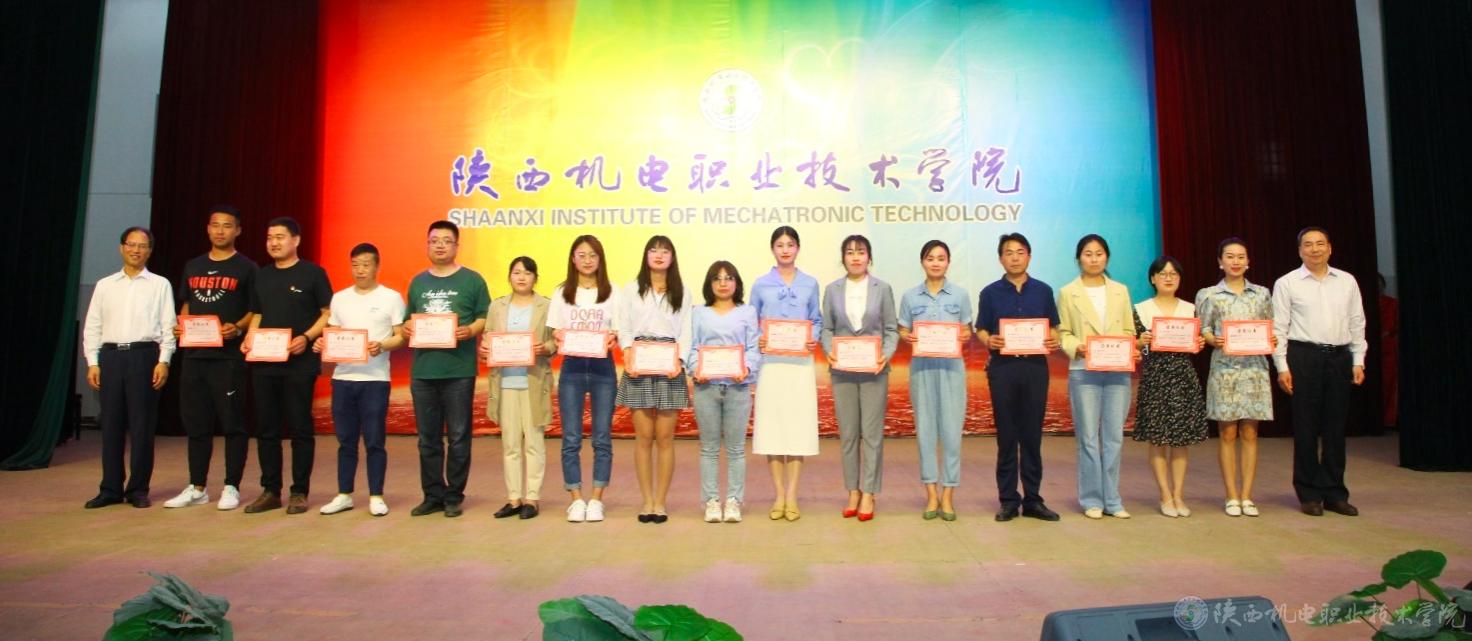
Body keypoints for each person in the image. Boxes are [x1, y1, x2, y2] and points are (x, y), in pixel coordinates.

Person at [164, 206, 255, 511]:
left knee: (233, 423)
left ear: (237, 230)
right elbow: (188, 304)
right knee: (196, 424)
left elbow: (255, 310)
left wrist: (238, 327)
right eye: (215, 225)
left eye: (227, 226)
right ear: (207, 228)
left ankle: (231, 486)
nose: (220, 231)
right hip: (195, 356)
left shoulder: (247, 268)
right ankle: (197, 486)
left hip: (228, 358)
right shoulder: (193, 266)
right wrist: (182, 326)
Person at [1272, 227, 1367, 517]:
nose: (1314, 249)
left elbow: (1357, 322)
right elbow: (1279, 328)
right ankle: (1309, 493)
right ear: (1300, 250)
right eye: (1308, 245)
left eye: (1320, 243)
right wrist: (1282, 366)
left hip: (1339, 357)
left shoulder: (1347, 281)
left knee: (1335, 428)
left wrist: (1358, 360)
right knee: (1306, 428)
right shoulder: (1287, 283)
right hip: (1304, 357)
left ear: (1330, 248)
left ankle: (1335, 493)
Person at [241, 217, 331, 514]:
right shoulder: (262, 275)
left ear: (296, 240)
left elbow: (327, 313)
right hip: (265, 361)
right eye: (270, 238)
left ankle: (299, 491)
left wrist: (306, 337)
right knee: (266, 428)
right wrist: (250, 338)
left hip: (299, 363)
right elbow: (257, 313)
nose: (274, 243)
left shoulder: (313, 273)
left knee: (300, 427)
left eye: (280, 237)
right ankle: (270, 490)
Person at [82, 227, 177, 509]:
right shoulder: (105, 285)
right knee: (110, 425)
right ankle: (110, 488)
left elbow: (168, 326)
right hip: (110, 357)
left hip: (144, 356)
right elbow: (93, 326)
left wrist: (164, 360)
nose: (136, 250)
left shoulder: (160, 284)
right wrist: (93, 362)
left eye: (142, 246)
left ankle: (137, 489)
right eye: (131, 245)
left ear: (150, 251)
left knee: (142, 427)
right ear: (121, 247)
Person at [401, 220, 489, 518]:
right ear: (427, 245)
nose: (440, 245)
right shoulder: (418, 282)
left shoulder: (472, 280)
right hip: (423, 371)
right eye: (434, 240)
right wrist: (407, 327)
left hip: (458, 371)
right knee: (427, 439)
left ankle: (454, 496)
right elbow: (407, 321)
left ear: (456, 246)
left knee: (459, 437)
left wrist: (471, 330)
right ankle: (432, 495)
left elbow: (484, 316)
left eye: (446, 241)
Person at [312, 243, 405, 517]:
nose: (360, 270)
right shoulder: (340, 298)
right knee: (345, 441)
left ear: (377, 266)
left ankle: (376, 495)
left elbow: (401, 336)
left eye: (366, 264)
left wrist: (382, 345)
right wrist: (322, 344)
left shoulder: (391, 297)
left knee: (374, 440)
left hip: (375, 379)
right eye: (355, 265)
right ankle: (344, 494)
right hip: (343, 378)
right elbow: (332, 334)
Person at [976, 233, 1062, 522]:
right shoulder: (990, 293)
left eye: (1020, 252)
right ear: (1001, 259)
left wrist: (1054, 339)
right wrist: (989, 340)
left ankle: (1033, 499)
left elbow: (1054, 327)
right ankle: (1008, 500)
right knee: (1007, 436)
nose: (1014, 257)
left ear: (1029, 256)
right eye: (1009, 253)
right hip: (1003, 369)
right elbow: (981, 328)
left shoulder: (1043, 291)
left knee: (1032, 436)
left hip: (1035, 368)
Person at [1057, 233, 1137, 520]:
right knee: (1088, 437)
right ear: (1079, 258)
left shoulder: (1120, 291)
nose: (1094, 259)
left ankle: (1113, 499)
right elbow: (1063, 332)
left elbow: (1128, 330)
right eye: (1088, 254)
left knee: (1114, 437)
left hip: (1117, 371)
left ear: (1107, 257)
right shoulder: (1068, 292)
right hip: (1083, 371)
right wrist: (1075, 346)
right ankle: (1091, 498)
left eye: (1099, 253)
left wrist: (1129, 348)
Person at [1195, 238, 1276, 517]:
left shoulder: (1262, 294)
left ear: (1248, 261)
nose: (1236, 261)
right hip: (1225, 370)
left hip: (1254, 369)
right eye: (1229, 256)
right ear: (1220, 261)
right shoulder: (1209, 295)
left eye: (1241, 256)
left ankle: (1247, 496)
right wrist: (1211, 339)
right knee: (1227, 433)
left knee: (1251, 433)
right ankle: (1231, 495)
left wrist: (1271, 338)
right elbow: (1202, 328)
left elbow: (1270, 326)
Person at [821, 234, 899, 522]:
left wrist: (885, 355)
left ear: (869, 257)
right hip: (842, 372)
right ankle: (852, 490)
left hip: (874, 371)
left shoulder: (883, 289)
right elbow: (827, 329)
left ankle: (869, 492)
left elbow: (890, 329)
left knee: (872, 434)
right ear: (843, 258)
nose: (855, 257)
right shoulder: (832, 290)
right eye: (850, 252)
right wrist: (829, 351)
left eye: (861, 251)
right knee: (849, 435)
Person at [616, 235, 691, 524]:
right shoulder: (631, 289)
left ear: (672, 257)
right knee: (644, 437)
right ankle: (646, 500)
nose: (659, 255)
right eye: (653, 250)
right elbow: (623, 326)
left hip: (670, 365)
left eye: (665, 251)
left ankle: (661, 502)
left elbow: (687, 330)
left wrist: (680, 361)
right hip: (639, 364)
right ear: (646, 255)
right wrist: (627, 352)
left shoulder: (682, 291)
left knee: (665, 438)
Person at [750, 226, 822, 522]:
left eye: (790, 244)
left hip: (800, 366)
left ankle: (792, 495)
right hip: (771, 366)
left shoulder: (810, 283)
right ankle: (778, 494)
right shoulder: (760, 284)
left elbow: (816, 320)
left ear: (798, 248)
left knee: (797, 429)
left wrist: (812, 338)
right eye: (780, 245)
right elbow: (751, 322)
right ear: (772, 249)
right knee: (773, 429)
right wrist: (759, 339)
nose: (785, 250)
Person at [897, 240, 971, 521]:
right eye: (930, 258)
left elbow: (967, 329)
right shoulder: (910, 296)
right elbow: (902, 329)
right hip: (922, 369)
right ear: (922, 262)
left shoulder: (961, 295)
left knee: (952, 434)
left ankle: (948, 494)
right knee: (925, 432)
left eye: (941, 258)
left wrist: (964, 335)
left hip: (952, 369)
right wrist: (907, 336)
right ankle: (930, 493)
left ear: (948, 262)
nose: (936, 263)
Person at [549, 235, 621, 523]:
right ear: (573, 258)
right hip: (572, 368)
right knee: (571, 437)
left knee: (602, 437)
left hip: (603, 367)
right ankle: (576, 499)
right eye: (582, 255)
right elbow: (555, 331)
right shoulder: (561, 292)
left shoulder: (613, 292)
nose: (587, 260)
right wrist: (558, 336)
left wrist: (614, 337)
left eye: (593, 255)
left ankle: (597, 499)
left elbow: (618, 330)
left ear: (600, 259)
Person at [480, 256, 556, 521]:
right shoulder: (497, 306)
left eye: (527, 273)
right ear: (509, 277)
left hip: (534, 381)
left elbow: (555, 342)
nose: (521, 277)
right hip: (505, 383)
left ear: (536, 277)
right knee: (510, 444)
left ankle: (532, 498)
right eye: (516, 272)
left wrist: (545, 348)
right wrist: (485, 349)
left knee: (534, 443)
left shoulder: (546, 306)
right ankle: (514, 498)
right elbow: (487, 338)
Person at [1132, 256, 1208, 518]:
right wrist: (1139, 342)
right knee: (1158, 439)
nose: (1168, 278)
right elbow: (1135, 348)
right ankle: (1165, 494)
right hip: (1155, 377)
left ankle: (1178, 495)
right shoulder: (1141, 309)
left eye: (1174, 273)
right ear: (1153, 278)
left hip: (1183, 377)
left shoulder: (1190, 309)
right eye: (1163, 273)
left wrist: (1198, 344)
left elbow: (1195, 343)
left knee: (1180, 440)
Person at [686, 261, 761, 523]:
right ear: (709, 284)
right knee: (708, 449)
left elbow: (753, 348)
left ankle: (733, 501)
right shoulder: (699, 313)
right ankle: (711, 501)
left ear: (736, 283)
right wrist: (696, 369)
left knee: (736, 449)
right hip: (706, 388)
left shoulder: (747, 312)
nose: (723, 283)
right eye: (717, 279)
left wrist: (746, 368)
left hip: (738, 388)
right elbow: (692, 347)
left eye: (729, 278)